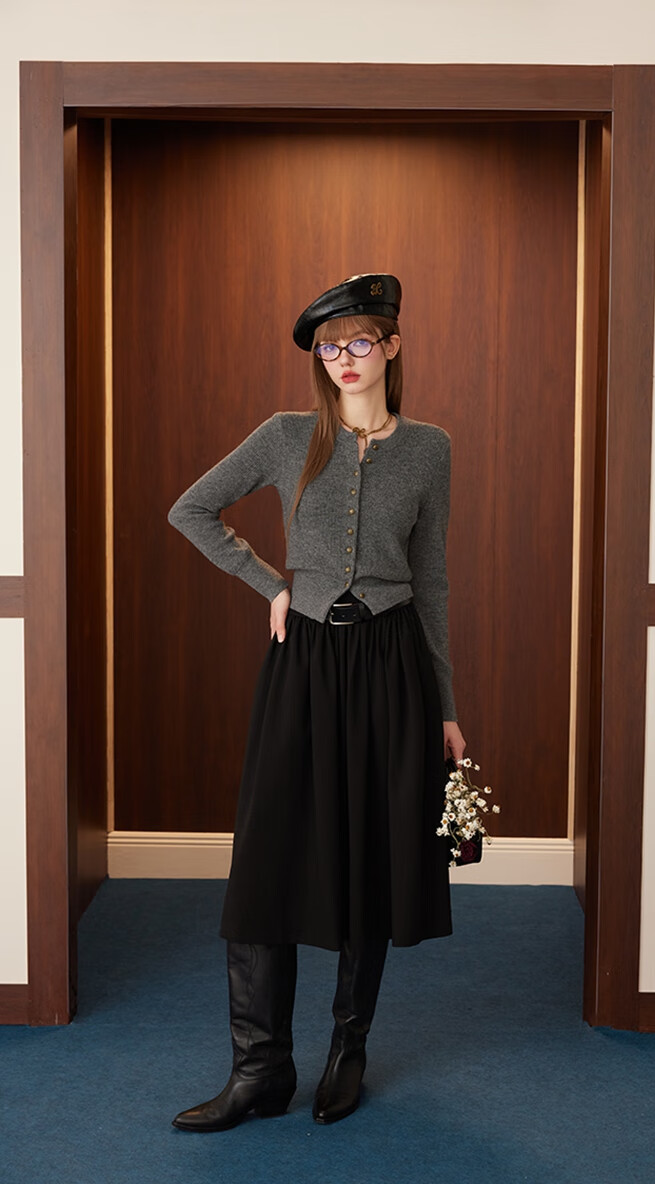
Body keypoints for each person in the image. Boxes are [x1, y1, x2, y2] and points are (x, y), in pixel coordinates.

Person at [166, 273, 466, 1132]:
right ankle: (259, 1069)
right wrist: (272, 583)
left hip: (392, 666)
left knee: (370, 852)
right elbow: (192, 509)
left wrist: (446, 705)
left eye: (360, 341)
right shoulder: (285, 435)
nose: (344, 359)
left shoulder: (430, 449)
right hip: (302, 662)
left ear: (392, 347)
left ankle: (348, 1050)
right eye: (330, 347)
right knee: (268, 855)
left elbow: (433, 583)